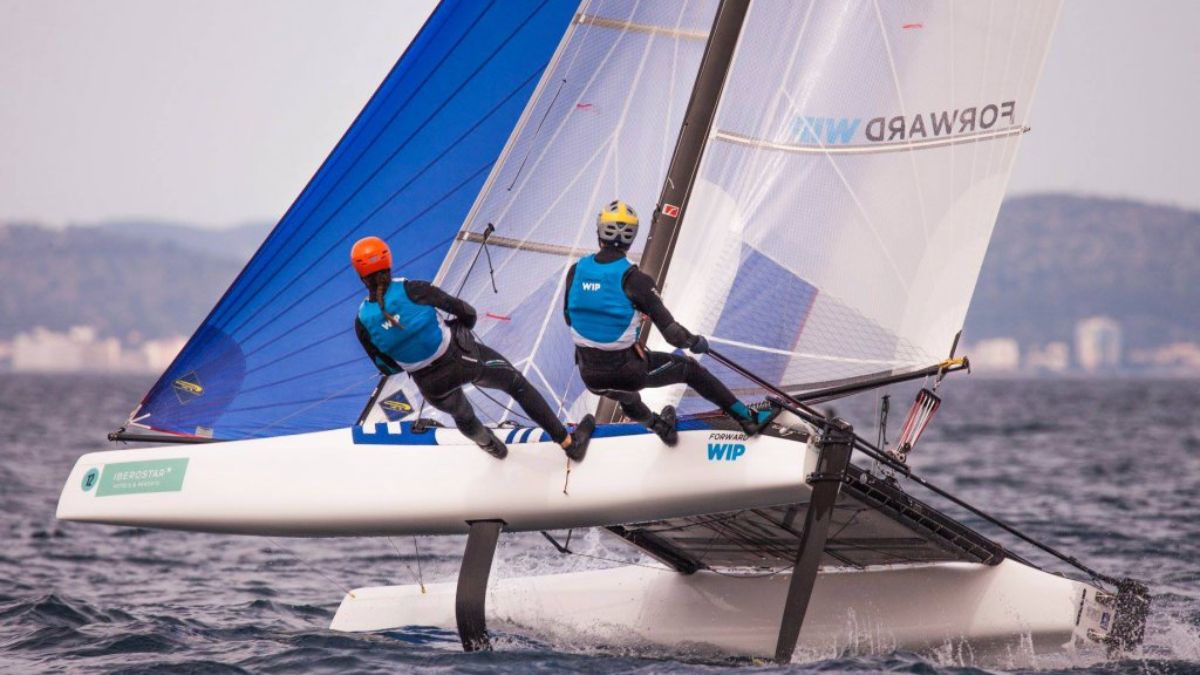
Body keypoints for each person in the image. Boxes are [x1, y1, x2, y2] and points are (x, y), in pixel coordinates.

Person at [352, 236, 594, 461]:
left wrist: (410, 356)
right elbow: (467, 313)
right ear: (388, 262)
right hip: (462, 359)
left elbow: (387, 367)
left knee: (462, 415)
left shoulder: (362, 321)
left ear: (360, 276)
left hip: (431, 385)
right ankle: (569, 444)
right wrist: (460, 330)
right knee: (516, 385)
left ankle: (491, 446)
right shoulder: (414, 289)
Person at [562, 200, 776, 444]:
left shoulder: (576, 271)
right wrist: (695, 341)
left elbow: (569, 317)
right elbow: (674, 336)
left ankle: (661, 428)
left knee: (627, 396)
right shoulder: (636, 280)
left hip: (590, 376)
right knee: (689, 370)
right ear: (631, 239)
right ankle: (747, 418)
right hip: (628, 373)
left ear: (599, 231)